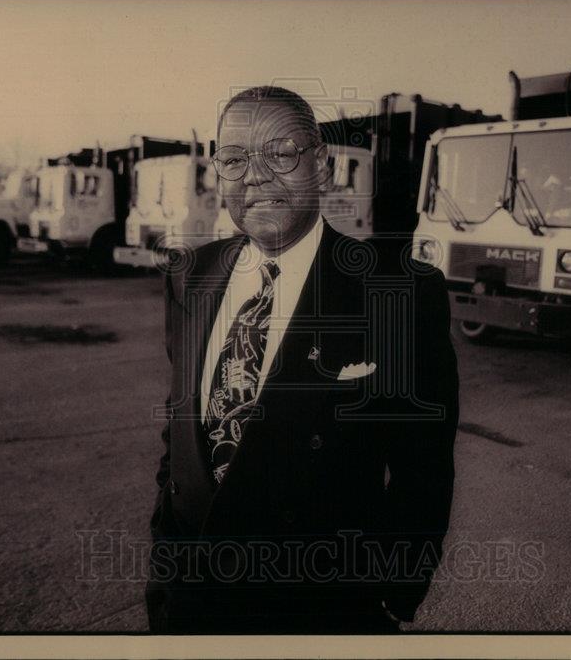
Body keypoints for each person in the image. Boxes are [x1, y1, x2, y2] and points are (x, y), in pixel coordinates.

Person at [146, 86, 459, 634]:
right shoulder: (187, 276)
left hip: (317, 609)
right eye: (235, 159)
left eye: (281, 153)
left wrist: (391, 598)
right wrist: (164, 568)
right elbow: (179, 438)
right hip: (192, 602)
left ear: (323, 166)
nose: (257, 176)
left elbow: (423, 471)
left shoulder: (399, 292)